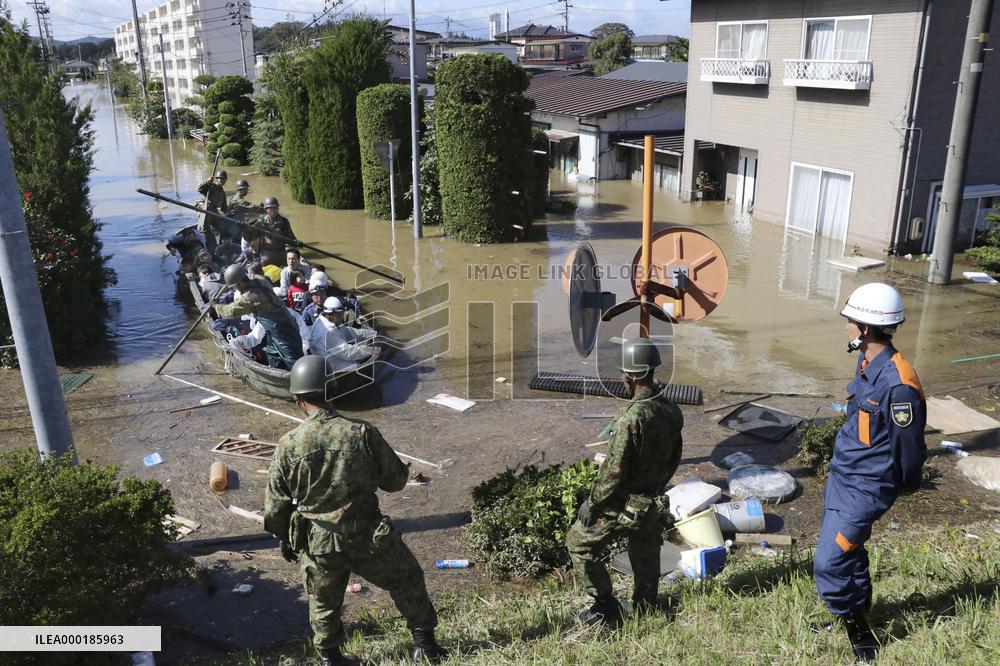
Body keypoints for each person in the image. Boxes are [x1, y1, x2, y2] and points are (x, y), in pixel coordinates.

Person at [264, 356, 448, 666]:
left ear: (298, 398)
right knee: (406, 578)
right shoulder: (362, 433)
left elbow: (275, 508)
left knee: (323, 603)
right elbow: (394, 482)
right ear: (331, 390)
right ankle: (425, 645)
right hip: (367, 533)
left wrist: (285, 536)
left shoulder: (288, 445)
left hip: (319, 542)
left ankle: (332, 659)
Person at [812, 283, 927, 662]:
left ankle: (860, 633)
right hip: (844, 475)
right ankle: (854, 614)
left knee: (830, 561)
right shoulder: (866, 360)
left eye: (851, 320)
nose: (846, 324)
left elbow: (908, 448)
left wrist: (905, 485)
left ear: (866, 328)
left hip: (866, 487)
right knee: (851, 551)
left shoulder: (899, 384)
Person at [565, 338, 683, 627]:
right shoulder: (670, 409)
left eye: (623, 373)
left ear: (631, 375)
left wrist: (591, 504)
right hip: (653, 499)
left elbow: (612, 474)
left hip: (623, 501)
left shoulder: (629, 421)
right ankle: (646, 604)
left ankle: (606, 605)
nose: (621, 377)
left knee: (578, 543)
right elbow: (675, 456)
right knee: (645, 550)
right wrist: (656, 486)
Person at [213, 264, 304, 370]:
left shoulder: (250, 297)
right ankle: (276, 376)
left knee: (293, 359)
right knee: (273, 355)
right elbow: (257, 275)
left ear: (240, 283)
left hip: (282, 330)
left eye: (234, 287)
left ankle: (304, 382)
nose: (235, 289)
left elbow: (230, 312)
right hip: (277, 327)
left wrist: (216, 305)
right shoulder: (261, 280)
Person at [308, 297, 376, 370]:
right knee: (361, 367)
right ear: (330, 315)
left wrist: (372, 334)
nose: (342, 317)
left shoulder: (326, 320)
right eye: (340, 314)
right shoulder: (327, 332)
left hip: (333, 356)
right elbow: (347, 352)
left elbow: (348, 332)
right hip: (331, 366)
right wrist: (371, 350)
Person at [258, 196, 298, 266]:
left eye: (275, 208)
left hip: (281, 256)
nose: (273, 210)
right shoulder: (261, 221)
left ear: (278, 208)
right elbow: (252, 237)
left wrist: (295, 242)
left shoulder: (284, 221)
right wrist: (245, 230)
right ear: (266, 210)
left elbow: (291, 238)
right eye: (271, 208)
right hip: (266, 256)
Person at [197, 170, 229, 240]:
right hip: (205, 208)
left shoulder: (223, 193)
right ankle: (206, 239)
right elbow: (199, 189)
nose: (222, 180)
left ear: (226, 180)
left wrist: (229, 214)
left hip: (213, 211)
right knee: (205, 229)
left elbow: (224, 208)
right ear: (217, 179)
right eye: (220, 178)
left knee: (222, 224)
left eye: (224, 179)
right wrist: (207, 182)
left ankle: (220, 240)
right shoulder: (211, 186)